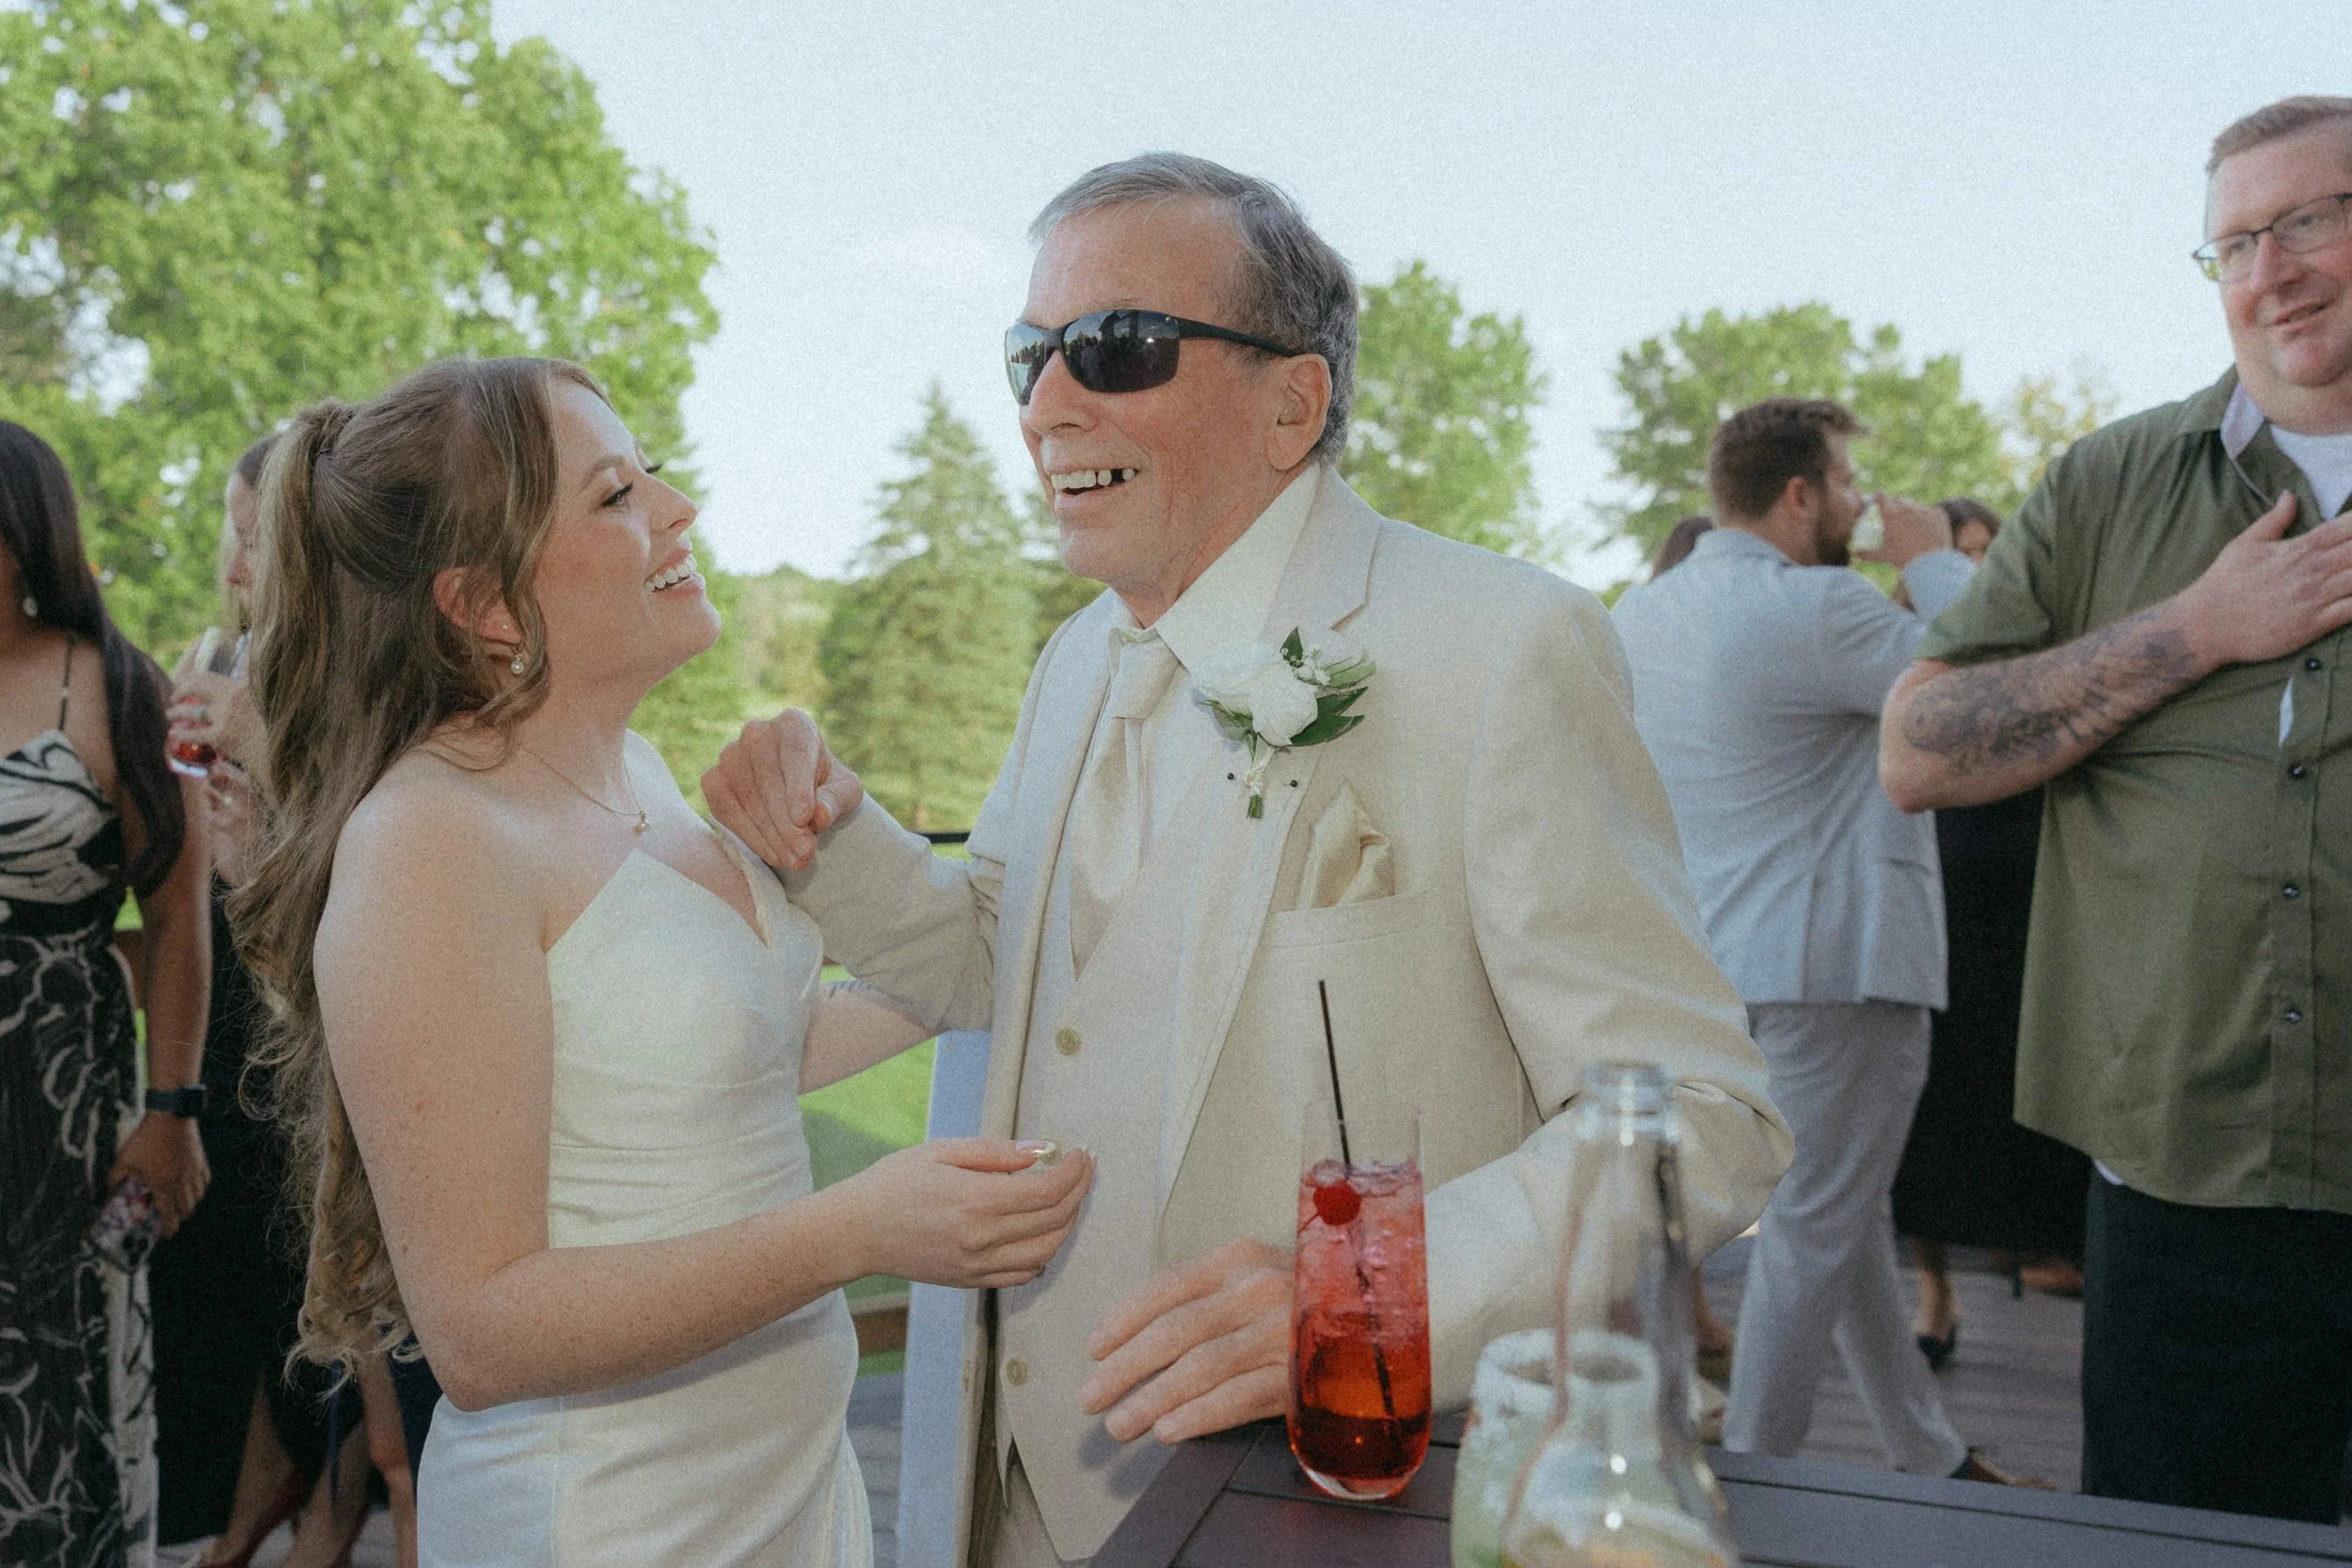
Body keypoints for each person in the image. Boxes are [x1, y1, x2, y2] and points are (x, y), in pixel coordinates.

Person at [704, 153, 1791, 1568]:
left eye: (1116, 348)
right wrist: (837, 840)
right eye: (1028, 356)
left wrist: (1374, 1295)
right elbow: (1004, 955)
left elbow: (1700, 1115)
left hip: (1322, 1502)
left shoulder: (1500, 643)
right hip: (1013, 1492)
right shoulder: (1076, 656)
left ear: (1294, 401)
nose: (1047, 401)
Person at [229, 356, 1092, 1567]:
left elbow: (735, 1061)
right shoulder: (431, 838)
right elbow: (480, 1329)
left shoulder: (626, 772)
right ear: (482, 604)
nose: (678, 506)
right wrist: (859, 1228)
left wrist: (941, 914)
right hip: (613, 1518)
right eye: (615, 493)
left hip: (787, 1478)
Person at [1881, 94, 2352, 1522]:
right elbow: (1921, 748)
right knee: (2177, 1537)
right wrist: (2196, 630)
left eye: (2313, 220)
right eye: (2234, 242)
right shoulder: (2112, 484)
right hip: (2185, 1178)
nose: (2272, 267)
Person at [1611, 399, 2022, 1483]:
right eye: (1846, 484)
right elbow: (1990, 686)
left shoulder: (1639, 615)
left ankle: (1927, 1454)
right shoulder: (1820, 606)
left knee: (1841, 1214)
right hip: (1837, 967)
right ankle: (1751, 1488)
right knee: (1811, 1233)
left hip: (1706, 969)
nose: (1858, 505)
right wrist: (1932, 561)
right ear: (1798, 495)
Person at [150, 433, 378, 1568]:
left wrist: (248, 781)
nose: (236, 565)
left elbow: (356, 847)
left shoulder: (355, 672)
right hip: (242, 974)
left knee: (313, 1250)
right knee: (231, 1250)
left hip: (324, 990)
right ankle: (266, 1479)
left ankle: (330, 1500)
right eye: (231, 537)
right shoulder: (234, 656)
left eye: (254, 536)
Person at [0, 420, 211, 1568]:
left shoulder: (119, 683)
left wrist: (174, 1109)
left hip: (58, 1107)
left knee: (56, 1370)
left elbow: (179, 911)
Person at [1890, 499, 2089, 1373]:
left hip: (2025, 883)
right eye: (1956, 557)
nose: (1972, 570)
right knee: (1934, 1107)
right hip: (1935, 884)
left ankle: (2055, 1244)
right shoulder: (1906, 659)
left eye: (1985, 557)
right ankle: (1936, 1291)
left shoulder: (2039, 644)